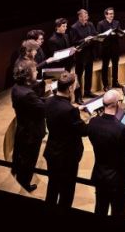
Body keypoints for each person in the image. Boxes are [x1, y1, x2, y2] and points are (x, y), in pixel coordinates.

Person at [87, 89, 125, 216]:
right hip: (118, 179)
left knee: (100, 209)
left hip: (100, 174)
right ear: (117, 104)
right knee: (118, 212)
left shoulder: (93, 122)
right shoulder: (121, 129)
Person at [44, 72, 88, 207]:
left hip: (52, 152)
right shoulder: (70, 111)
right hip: (67, 157)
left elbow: (60, 113)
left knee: (52, 189)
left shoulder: (49, 101)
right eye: (74, 86)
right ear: (70, 88)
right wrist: (90, 119)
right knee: (66, 194)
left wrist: (76, 109)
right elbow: (83, 131)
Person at [10, 59, 46, 193]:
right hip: (31, 132)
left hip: (22, 128)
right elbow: (43, 109)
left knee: (23, 158)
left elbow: (36, 103)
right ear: (28, 75)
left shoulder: (16, 88)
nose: (37, 72)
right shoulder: (28, 95)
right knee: (29, 161)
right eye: (35, 70)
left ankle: (21, 180)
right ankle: (24, 184)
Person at [69, 9, 97, 98]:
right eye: (84, 17)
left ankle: (87, 92)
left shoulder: (90, 24)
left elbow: (95, 33)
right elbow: (73, 41)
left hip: (90, 53)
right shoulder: (74, 27)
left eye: (87, 16)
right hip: (80, 55)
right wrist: (84, 39)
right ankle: (78, 96)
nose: (86, 18)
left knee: (89, 74)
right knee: (79, 76)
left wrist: (96, 37)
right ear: (79, 17)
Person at [97, 7, 122, 89]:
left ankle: (115, 82)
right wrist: (108, 34)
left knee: (115, 65)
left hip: (115, 47)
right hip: (106, 48)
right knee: (105, 66)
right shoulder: (101, 24)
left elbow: (120, 33)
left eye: (113, 14)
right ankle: (106, 85)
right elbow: (99, 37)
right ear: (106, 15)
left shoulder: (116, 22)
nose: (112, 15)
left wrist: (120, 34)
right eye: (110, 14)